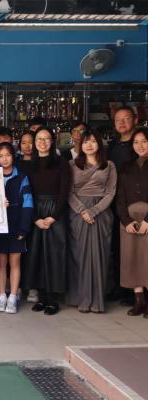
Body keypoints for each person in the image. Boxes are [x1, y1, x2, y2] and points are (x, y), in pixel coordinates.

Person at [67, 131, 116, 313]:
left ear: (99, 144)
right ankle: (81, 298)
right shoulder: (72, 164)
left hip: (101, 214)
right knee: (79, 256)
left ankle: (97, 301)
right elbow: (69, 192)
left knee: (100, 256)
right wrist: (82, 210)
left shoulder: (109, 165)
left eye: (93, 141)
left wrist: (94, 211)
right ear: (80, 145)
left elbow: (110, 192)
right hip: (78, 214)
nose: (89, 145)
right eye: (86, 142)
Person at [24, 126, 71, 316]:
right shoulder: (29, 164)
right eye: (39, 139)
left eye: (46, 139)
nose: (42, 143)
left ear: (52, 141)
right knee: (36, 255)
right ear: (34, 143)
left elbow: (64, 191)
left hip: (55, 211)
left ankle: (53, 299)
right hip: (35, 209)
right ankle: (42, 297)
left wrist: (53, 216)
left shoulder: (61, 162)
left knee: (54, 254)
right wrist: (35, 218)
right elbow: (26, 192)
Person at [0, 142, 33, 314]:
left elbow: (28, 203)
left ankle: (13, 296)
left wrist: (24, 228)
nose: (4, 159)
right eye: (0, 156)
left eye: (8, 155)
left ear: (13, 156)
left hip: (16, 226)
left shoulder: (22, 177)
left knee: (15, 262)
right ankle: (2, 295)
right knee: (1, 263)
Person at [107, 106, 139, 305]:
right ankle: (120, 287)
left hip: (135, 204)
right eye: (118, 119)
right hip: (114, 203)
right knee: (117, 246)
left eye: (126, 118)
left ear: (135, 120)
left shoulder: (139, 144)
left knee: (136, 247)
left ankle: (136, 291)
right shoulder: (112, 147)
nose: (121, 122)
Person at [116, 128, 148, 318]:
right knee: (132, 258)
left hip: (147, 219)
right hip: (129, 220)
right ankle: (139, 301)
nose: (140, 145)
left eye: (144, 141)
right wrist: (125, 220)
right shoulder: (126, 167)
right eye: (136, 142)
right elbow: (120, 197)